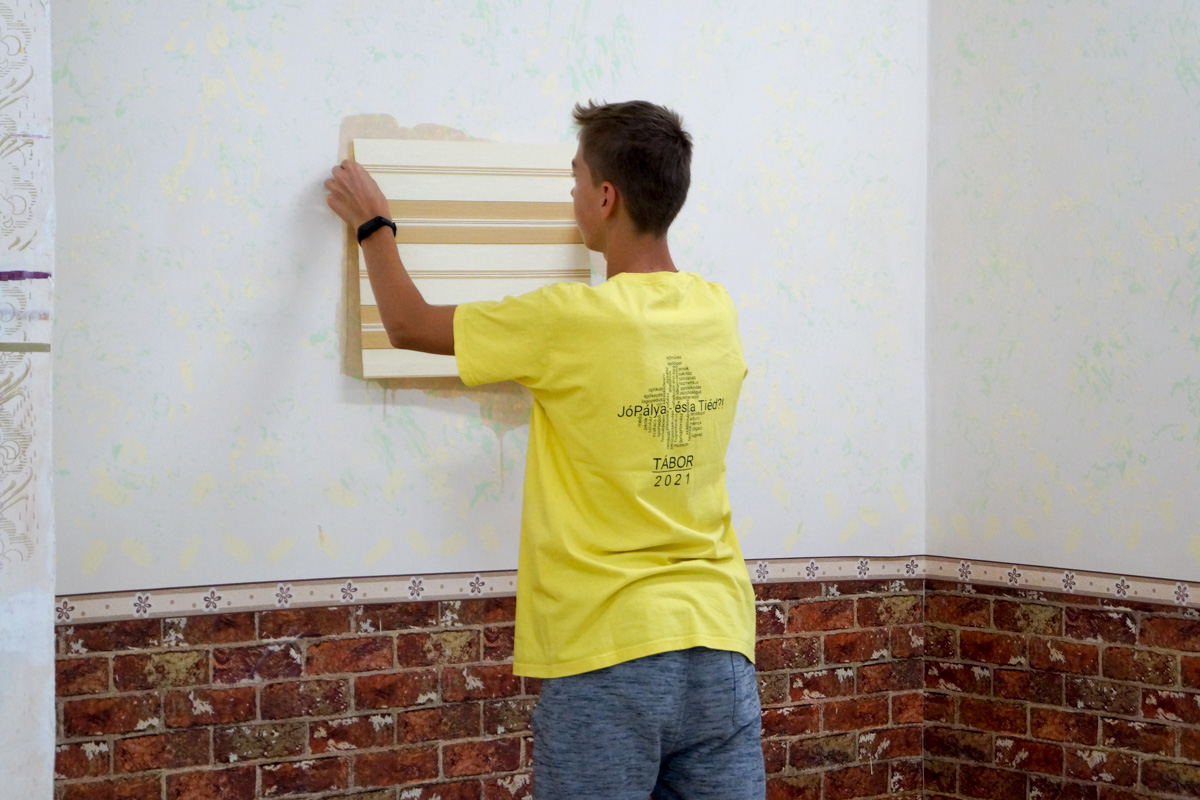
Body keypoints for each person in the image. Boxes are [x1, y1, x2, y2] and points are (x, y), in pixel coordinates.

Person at [325, 100, 764, 800]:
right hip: (720, 648)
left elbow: (406, 324)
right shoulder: (718, 311)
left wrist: (372, 223)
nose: (571, 194)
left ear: (606, 197)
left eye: (575, 177)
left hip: (608, 655)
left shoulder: (569, 322)